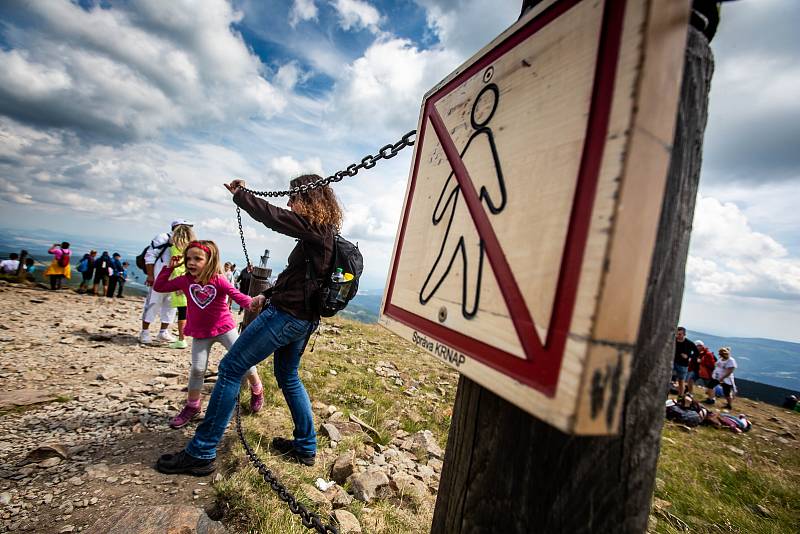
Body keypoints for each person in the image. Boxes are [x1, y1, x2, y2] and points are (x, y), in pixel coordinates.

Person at [157, 174, 339, 475]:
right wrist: (265, 294)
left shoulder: (314, 229)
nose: (289, 203)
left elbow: (275, 218)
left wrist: (242, 195)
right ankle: (305, 446)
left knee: (230, 369)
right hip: (302, 319)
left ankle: (201, 452)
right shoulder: (323, 234)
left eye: (294, 197)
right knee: (288, 375)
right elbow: (299, 280)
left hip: (285, 317)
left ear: (309, 199)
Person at [153, 240, 264, 429]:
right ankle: (193, 405)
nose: (191, 262)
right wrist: (169, 267)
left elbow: (237, 295)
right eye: (188, 258)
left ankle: (257, 389)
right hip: (201, 332)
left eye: (197, 258)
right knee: (197, 369)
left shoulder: (218, 279)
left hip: (224, 329)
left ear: (210, 260)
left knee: (244, 361)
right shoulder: (185, 280)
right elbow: (160, 287)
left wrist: (252, 302)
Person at [140, 221, 195, 345]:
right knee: (153, 303)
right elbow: (150, 256)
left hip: (176, 280)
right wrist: (150, 275)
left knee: (171, 306)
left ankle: (163, 332)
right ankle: (145, 331)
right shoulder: (163, 238)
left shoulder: (186, 243)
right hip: (159, 277)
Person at [166, 225, 196, 349]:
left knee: (182, 312)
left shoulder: (175, 249)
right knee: (189, 311)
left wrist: (179, 285)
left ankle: (181, 339)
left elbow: (177, 268)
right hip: (192, 282)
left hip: (182, 283)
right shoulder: (193, 248)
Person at [673, 327, 698, 398]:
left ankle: (680, 398)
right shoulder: (673, 340)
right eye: (677, 334)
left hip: (683, 365)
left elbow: (697, 353)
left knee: (681, 382)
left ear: (684, 334)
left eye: (680, 334)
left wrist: (688, 356)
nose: (677, 336)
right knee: (667, 378)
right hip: (672, 363)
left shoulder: (689, 343)